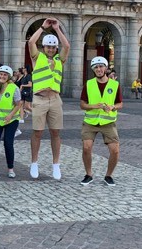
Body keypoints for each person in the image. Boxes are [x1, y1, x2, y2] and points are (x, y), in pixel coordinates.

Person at [28, 17, 70, 180]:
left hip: (55, 99)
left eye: (53, 47)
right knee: (37, 132)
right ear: (43, 47)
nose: (51, 49)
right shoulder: (37, 57)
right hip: (39, 99)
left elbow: (67, 46)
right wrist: (43, 28)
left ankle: (56, 164)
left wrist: (58, 29)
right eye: (48, 46)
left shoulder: (60, 59)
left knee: (55, 132)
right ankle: (34, 162)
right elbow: (31, 42)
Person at [79, 56, 123, 186]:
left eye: (101, 66)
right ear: (93, 70)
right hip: (90, 122)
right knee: (86, 148)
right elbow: (82, 104)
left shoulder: (115, 85)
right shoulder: (89, 84)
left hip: (108, 123)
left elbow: (120, 104)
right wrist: (93, 106)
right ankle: (88, 174)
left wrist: (113, 107)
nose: (99, 69)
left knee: (115, 150)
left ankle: (108, 176)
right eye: (96, 67)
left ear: (106, 68)